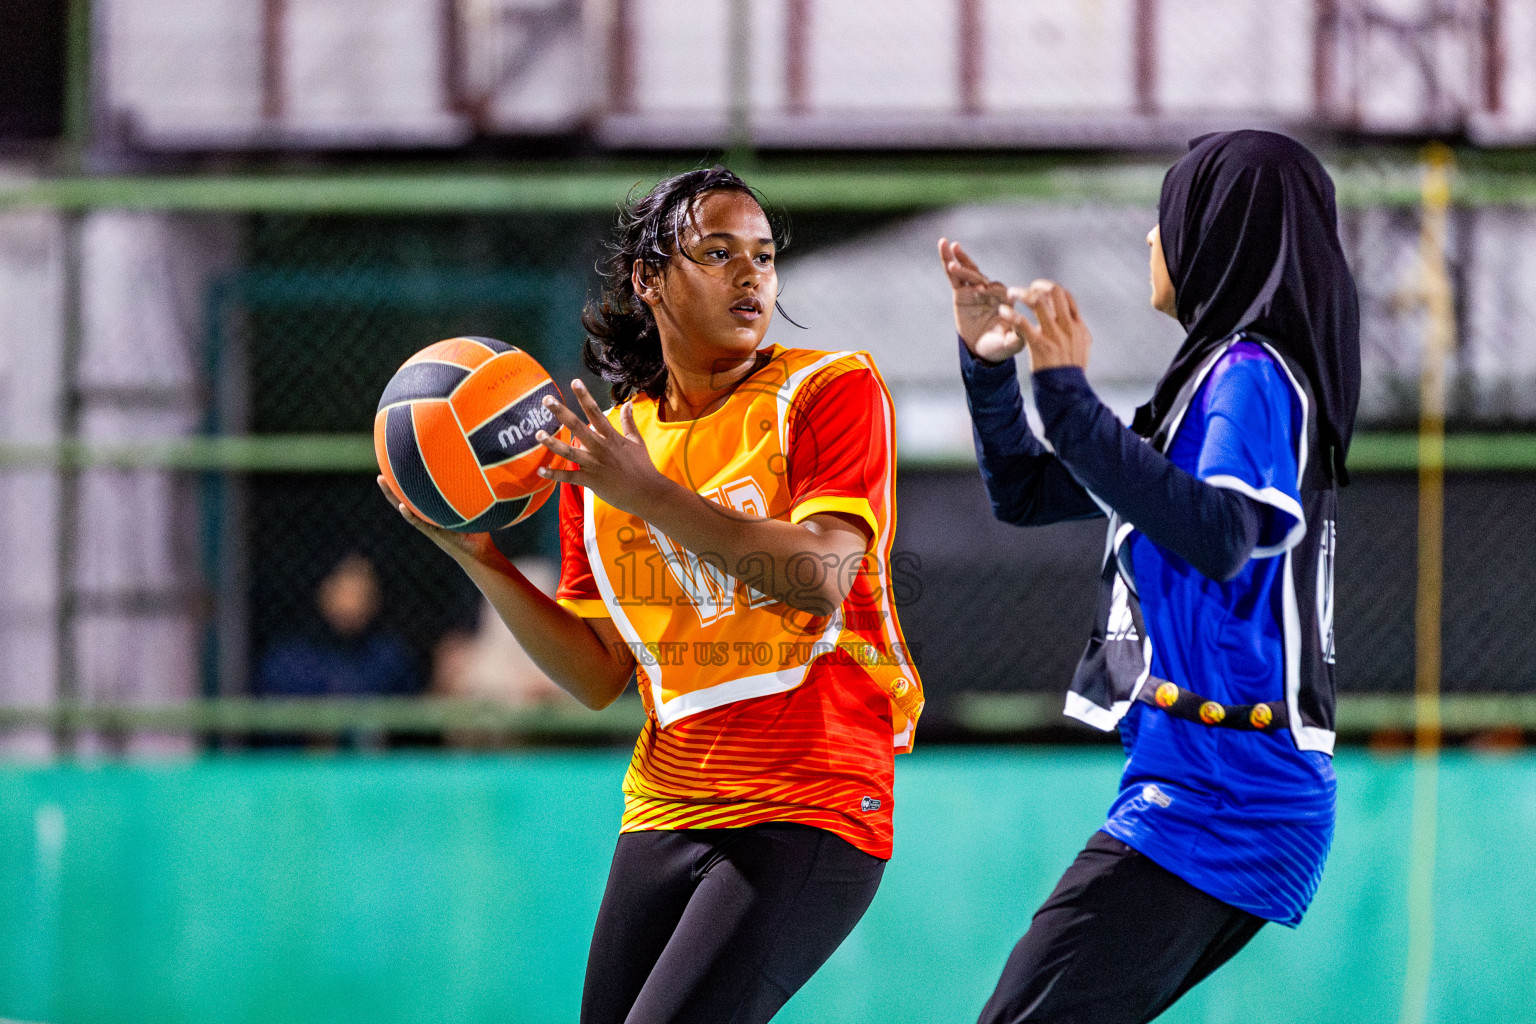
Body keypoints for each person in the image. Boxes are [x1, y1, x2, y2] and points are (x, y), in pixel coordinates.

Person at [379, 165, 922, 1024]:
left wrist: (649, 495)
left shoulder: (826, 391)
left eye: (765, 256)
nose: (752, 276)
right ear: (649, 277)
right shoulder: (606, 452)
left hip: (812, 797)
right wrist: (481, 558)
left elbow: (821, 577)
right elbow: (598, 676)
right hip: (669, 802)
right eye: (718, 252)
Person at [941, 130, 1359, 1023]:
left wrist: (1067, 391)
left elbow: (1217, 533)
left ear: (1218, 232)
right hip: (1204, 783)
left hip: (1228, 795)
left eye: (1164, 218)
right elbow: (1027, 491)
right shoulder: (1212, 381)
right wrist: (992, 367)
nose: (1149, 240)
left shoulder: (1253, 375)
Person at [255, 552, 417, 698]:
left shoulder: (389, 658)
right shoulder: (289, 660)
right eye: (346, 592)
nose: (352, 604)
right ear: (325, 592)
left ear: (375, 601)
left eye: (362, 594)